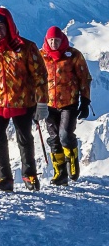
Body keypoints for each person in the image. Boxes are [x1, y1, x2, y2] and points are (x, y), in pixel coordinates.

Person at [0, 7, 48, 192]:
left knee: (24, 139)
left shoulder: (26, 47)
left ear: (9, 26)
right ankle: (4, 178)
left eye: (1, 26)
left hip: (23, 102)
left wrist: (42, 103)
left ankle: (29, 175)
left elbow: (40, 76)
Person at [39, 25, 92, 185]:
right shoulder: (41, 56)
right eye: (51, 40)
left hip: (69, 103)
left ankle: (72, 159)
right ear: (47, 40)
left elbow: (84, 78)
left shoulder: (73, 55)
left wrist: (85, 101)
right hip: (48, 104)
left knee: (65, 135)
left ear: (62, 39)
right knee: (54, 138)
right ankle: (60, 174)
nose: (54, 43)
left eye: (56, 40)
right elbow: (35, 80)